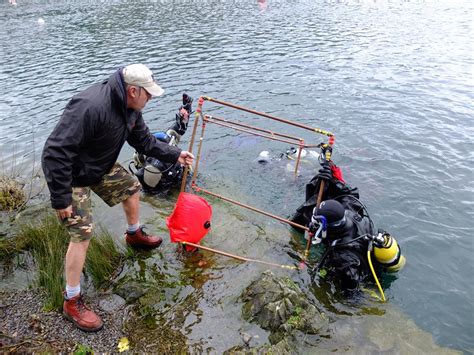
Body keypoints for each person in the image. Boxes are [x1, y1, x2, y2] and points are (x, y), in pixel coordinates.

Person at [41, 64, 194, 332]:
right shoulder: (90, 106)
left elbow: (145, 142)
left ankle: (133, 234)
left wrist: (175, 154)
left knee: (132, 188)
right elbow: (55, 152)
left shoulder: (132, 108)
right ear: (133, 90)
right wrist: (61, 198)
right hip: (73, 176)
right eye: (148, 95)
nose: (150, 99)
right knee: (82, 235)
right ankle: (71, 300)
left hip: (99, 166)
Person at [291, 149, 405, 296]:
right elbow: (345, 191)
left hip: (363, 276)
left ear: (329, 225)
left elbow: (350, 293)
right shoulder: (350, 208)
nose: (314, 223)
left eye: (318, 222)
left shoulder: (343, 259)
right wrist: (326, 178)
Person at [130, 93, 193, 194]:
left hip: (171, 180)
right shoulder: (148, 155)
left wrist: (186, 111)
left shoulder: (168, 142)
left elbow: (179, 128)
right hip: (162, 184)